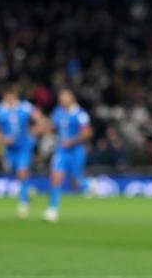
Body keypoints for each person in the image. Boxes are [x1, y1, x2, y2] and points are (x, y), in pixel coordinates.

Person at [0, 86, 45, 218]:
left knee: (21, 171)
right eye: (7, 96)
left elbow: (39, 118)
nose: (9, 98)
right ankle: (27, 192)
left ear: (15, 96)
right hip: (9, 149)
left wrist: (35, 130)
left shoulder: (25, 107)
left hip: (24, 146)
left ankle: (23, 203)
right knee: (18, 174)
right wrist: (2, 139)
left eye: (11, 96)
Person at [43, 88, 93, 223]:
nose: (61, 99)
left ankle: (88, 185)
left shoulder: (80, 114)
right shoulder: (58, 112)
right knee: (55, 177)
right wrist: (45, 129)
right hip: (62, 151)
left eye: (64, 96)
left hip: (76, 151)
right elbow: (51, 126)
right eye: (61, 96)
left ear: (72, 98)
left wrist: (71, 141)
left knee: (75, 181)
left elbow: (87, 133)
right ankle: (52, 209)